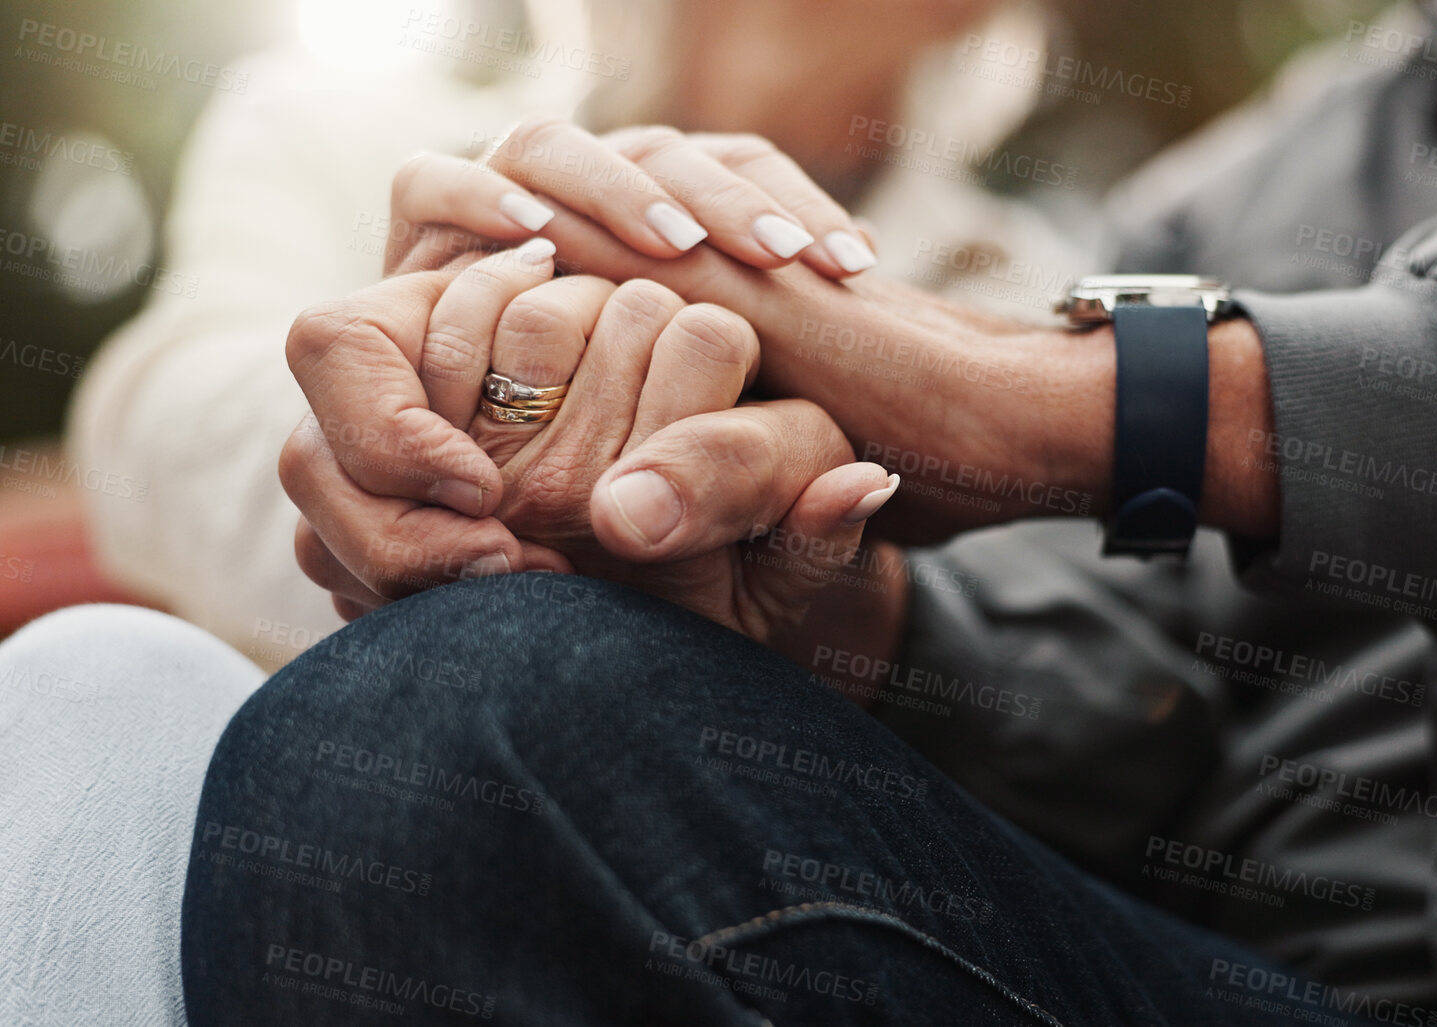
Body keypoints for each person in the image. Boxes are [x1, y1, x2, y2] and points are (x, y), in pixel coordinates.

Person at [251, 0, 1437, 1018]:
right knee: (467, 708)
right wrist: (785, 583)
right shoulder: (1229, 185)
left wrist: (1091, 402)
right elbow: (1122, 702)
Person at [67, 0, 1086, 668]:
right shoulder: (331, 123)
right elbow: (155, 421)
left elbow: (1089, 673)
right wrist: (457, 403)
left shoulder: (1036, 290)